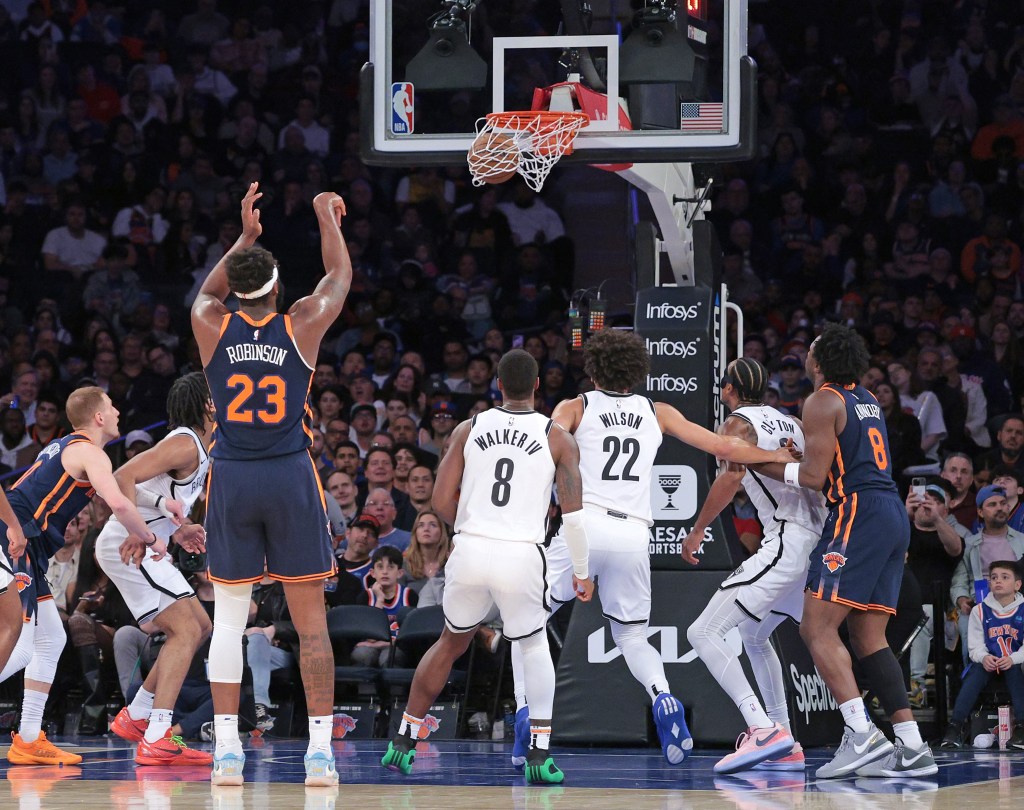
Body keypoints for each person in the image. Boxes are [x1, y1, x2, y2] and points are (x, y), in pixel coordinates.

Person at [509, 332, 800, 770]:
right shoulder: (657, 411)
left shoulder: (575, 407)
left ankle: (524, 717)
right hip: (633, 535)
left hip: (584, 524)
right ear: (639, 371)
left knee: (526, 620)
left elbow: (543, 452)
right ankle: (664, 698)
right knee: (630, 635)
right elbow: (723, 447)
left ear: (592, 369)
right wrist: (774, 453)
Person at [190, 182, 351, 787]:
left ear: (236, 287)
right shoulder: (302, 323)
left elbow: (208, 290)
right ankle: (319, 753)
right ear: (279, 289)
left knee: (229, 623)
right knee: (312, 626)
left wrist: (245, 237)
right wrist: (322, 216)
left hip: (232, 476)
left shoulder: (210, 323)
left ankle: (227, 752)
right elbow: (338, 274)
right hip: (288, 475)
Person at [382, 349, 594, 784]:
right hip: (521, 554)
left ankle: (403, 740)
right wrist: (581, 569)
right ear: (538, 386)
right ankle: (539, 754)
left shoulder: (468, 428)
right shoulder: (558, 437)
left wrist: (473, 529)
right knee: (533, 647)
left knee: (449, 642)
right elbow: (572, 516)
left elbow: (439, 501)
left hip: (471, 548)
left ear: (497, 385)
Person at [755, 323, 937, 778]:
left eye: (811, 349)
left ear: (821, 360)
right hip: (890, 512)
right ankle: (912, 747)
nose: (807, 353)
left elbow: (815, 479)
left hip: (858, 511)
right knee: (867, 637)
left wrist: (764, 463)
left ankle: (861, 735)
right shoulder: (868, 399)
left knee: (815, 628)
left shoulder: (822, 399)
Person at [0, 386, 171, 766]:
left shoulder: (70, 448)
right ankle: (27, 737)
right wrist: (151, 537)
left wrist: (162, 503)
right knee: (21, 643)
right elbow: (118, 501)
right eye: (111, 408)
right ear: (97, 417)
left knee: (51, 638)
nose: (117, 414)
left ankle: (28, 738)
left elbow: (123, 487)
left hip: (30, 544)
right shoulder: (89, 451)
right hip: (15, 535)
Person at [682, 357, 827, 773]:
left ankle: (762, 729)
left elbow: (730, 479)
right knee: (753, 632)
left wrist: (697, 531)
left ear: (727, 390)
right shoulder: (793, 423)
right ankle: (784, 739)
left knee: (703, 631)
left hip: (787, 539)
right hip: (816, 543)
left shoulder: (737, 424)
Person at [97, 372, 214, 766]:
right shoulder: (185, 443)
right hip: (129, 544)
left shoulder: (198, 445)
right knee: (185, 628)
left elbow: (153, 493)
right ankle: (159, 733)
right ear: (209, 404)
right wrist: (138, 530)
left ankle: (138, 714)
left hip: (147, 543)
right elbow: (121, 475)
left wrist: (176, 526)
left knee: (201, 626)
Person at [941, 560, 1024, 749]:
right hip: (989, 663)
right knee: (976, 672)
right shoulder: (979, 610)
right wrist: (984, 657)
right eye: (994, 577)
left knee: (1014, 669)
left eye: (1005, 577)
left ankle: (1021, 728)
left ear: (1017, 585)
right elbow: (975, 647)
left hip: (1016, 662)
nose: (998, 581)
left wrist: (1012, 659)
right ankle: (955, 727)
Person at [950, 485, 1024, 661]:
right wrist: (961, 600)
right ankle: (972, 679)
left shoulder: (1022, 541)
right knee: (968, 628)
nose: (999, 507)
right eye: (992, 504)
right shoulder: (969, 544)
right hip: (980, 605)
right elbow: (959, 580)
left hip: (1018, 604)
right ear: (980, 512)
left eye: (1003, 503)